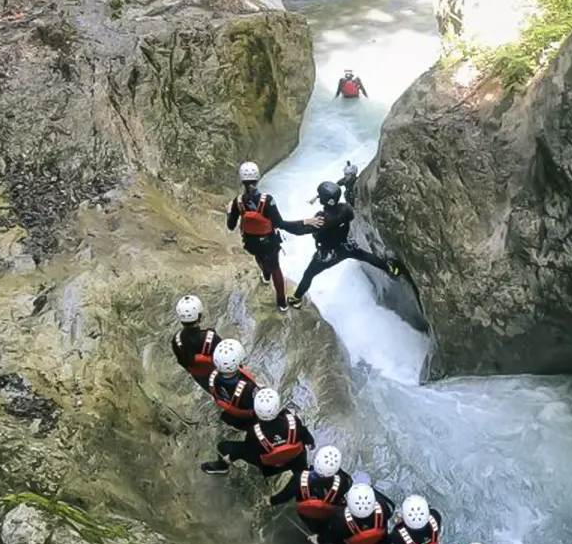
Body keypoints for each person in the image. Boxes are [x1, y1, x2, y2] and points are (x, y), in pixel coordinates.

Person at [285, 181, 401, 309]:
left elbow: (298, 231)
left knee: (308, 274)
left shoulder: (322, 218)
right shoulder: (345, 208)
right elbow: (348, 218)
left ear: (324, 200)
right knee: (365, 256)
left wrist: (281, 223)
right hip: (345, 246)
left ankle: (296, 299)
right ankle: (391, 268)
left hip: (328, 254)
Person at [201, 387, 313, 477]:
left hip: (270, 468)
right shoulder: (293, 421)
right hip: (297, 461)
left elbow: (249, 451)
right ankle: (304, 478)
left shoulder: (254, 432)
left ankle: (222, 466)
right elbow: (307, 438)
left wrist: (230, 457)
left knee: (223, 447)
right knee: (289, 418)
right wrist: (310, 443)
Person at [226, 161, 291, 311]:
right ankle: (282, 303)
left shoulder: (238, 202)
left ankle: (265, 275)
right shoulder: (268, 200)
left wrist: (230, 210)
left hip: (250, 242)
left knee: (259, 257)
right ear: (258, 178)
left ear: (242, 180)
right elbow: (279, 222)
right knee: (276, 268)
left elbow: (230, 226)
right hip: (269, 241)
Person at [267, 445, 352, 535]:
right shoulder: (343, 482)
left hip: (308, 516)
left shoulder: (299, 479)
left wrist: (271, 501)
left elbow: (284, 496)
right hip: (329, 515)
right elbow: (349, 482)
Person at [310, 482, 395, 544]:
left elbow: (331, 535)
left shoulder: (339, 517)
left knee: (336, 537)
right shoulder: (383, 507)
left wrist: (318, 539)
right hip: (379, 543)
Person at [204, 339, 260, 434]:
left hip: (231, 412)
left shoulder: (213, 377)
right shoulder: (248, 387)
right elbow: (257, 408)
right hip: (247, 417)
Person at [170, 295, 222, 386]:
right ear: (200, 316)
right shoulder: (211, 338)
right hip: (218, 375)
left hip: (199, 377)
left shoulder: (176, 340)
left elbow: (182, 361)